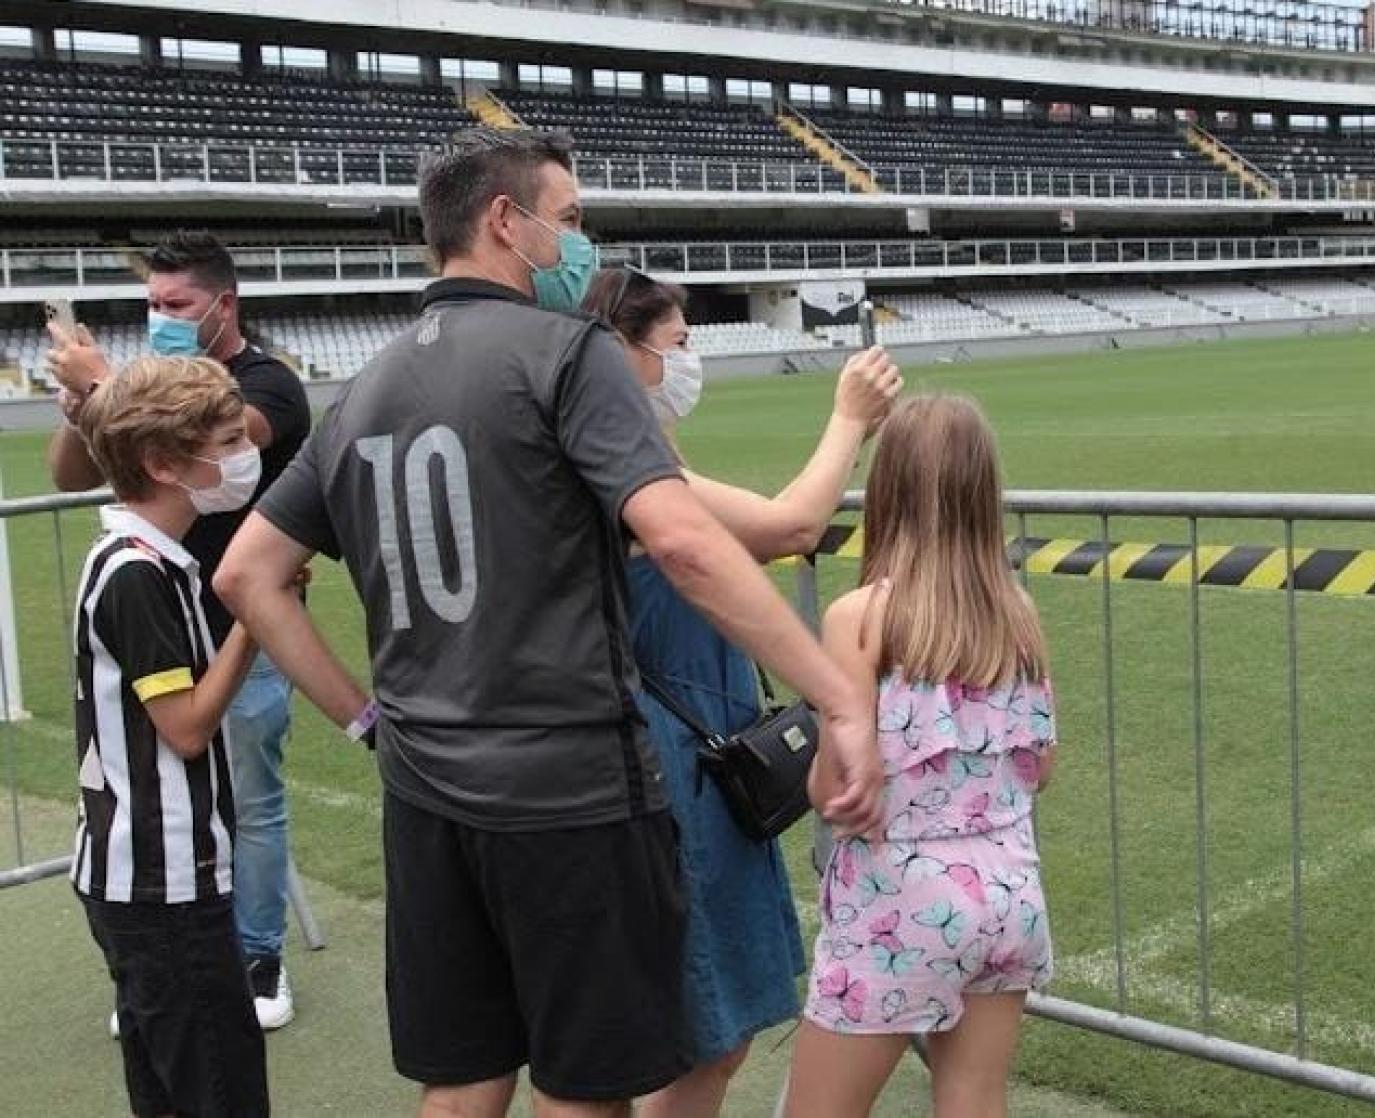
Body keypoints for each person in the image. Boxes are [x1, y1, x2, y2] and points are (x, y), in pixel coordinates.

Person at [213, 127, 883, 1118]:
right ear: (503, 222)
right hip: (568, 789)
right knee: (585, 1084)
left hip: (427, 790)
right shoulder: (564, 353)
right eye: (567, 219)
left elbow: (245, 574)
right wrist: (836, 697)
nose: (577, 242)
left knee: (465, 1075)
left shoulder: (361, 391)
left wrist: (365, 719)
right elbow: (691, 546)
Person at [580, 266, 901, 1118]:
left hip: (683, 764)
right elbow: (790, 525)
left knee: (694, 1028)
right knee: (705, 1030)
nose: (689, 364)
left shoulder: (631, 462)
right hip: (676, 776)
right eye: (678, 345)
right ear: (624, 352)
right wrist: (850, 419)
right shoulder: (627, 478)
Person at [45, 231, 310, 1031]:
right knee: (157, 798)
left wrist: (108, 391)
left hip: (236, 625)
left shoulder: (269, 385)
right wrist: (83, 408)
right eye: (151, 304)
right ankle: (168, 959)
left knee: (250, 805)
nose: (159, 316)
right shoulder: (127, 560)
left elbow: (212, 434)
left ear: (221, 305)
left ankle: (257, 957)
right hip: (157, 623)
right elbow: (72, 473)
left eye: (176, 305)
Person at [784, 395, 1058, 1118]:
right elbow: (1042, 766)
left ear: (887, 490)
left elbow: (834, 784)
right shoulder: (1018, 615)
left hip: (898, 900)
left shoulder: (859, 617)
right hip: (1009, 892)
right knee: (973, 1097)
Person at [70, 355, 269, 1118]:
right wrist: (255, 619)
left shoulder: (151, 563)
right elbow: (184, 728)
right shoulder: (134, 573)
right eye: (224, 441)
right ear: (161, 462)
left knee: (171, 1092)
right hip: (162, 882)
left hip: (148, 879)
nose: (240, 456)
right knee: (220, 1089)